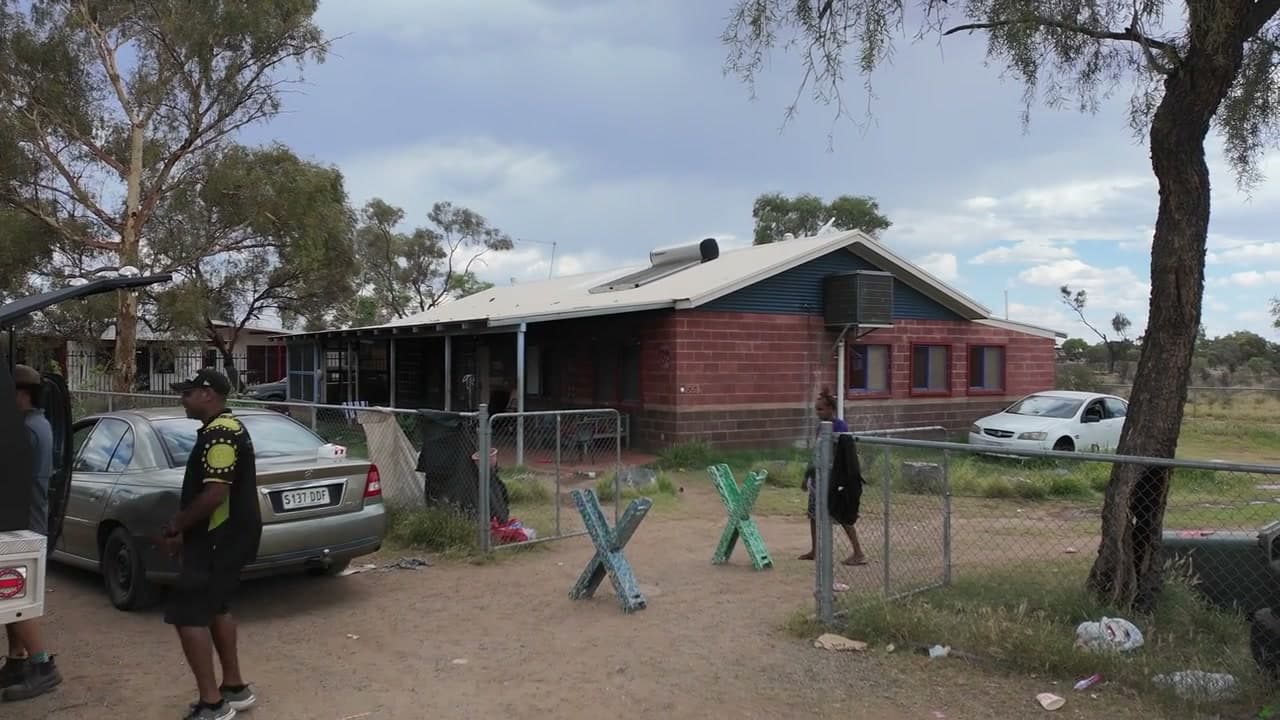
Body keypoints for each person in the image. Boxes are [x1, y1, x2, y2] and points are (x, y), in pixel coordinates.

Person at [162, 368, 262, 720]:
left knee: (187, 614)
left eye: (187, 393)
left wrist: (176, 525)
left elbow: (215, 494)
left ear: (207, 394)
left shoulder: (220, 434)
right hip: (229, 537)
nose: (182, 399)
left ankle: (212, 704)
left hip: (219, 539)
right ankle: (234, 688)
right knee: (216, 606)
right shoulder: (226, 429)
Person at [0, 364, 63, 702]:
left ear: (20, 394)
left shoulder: (26, 430)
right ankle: (17, 661)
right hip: (22, 522)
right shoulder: (33, 425)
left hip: (22, 526)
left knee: (15, 598)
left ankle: (42, 667)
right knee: (10, 599)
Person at [799, 388, 867, 566]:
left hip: (833, 478)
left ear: (830, 409)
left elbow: (842, 453)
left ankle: (858, 552)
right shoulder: (820, 427)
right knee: (813, 514)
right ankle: (814, 550)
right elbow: (816, 452)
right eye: (816, 409)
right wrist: (807, 476)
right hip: (817, 476)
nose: (818, 412)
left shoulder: (840, 426)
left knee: (840, 513)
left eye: (821, 409)